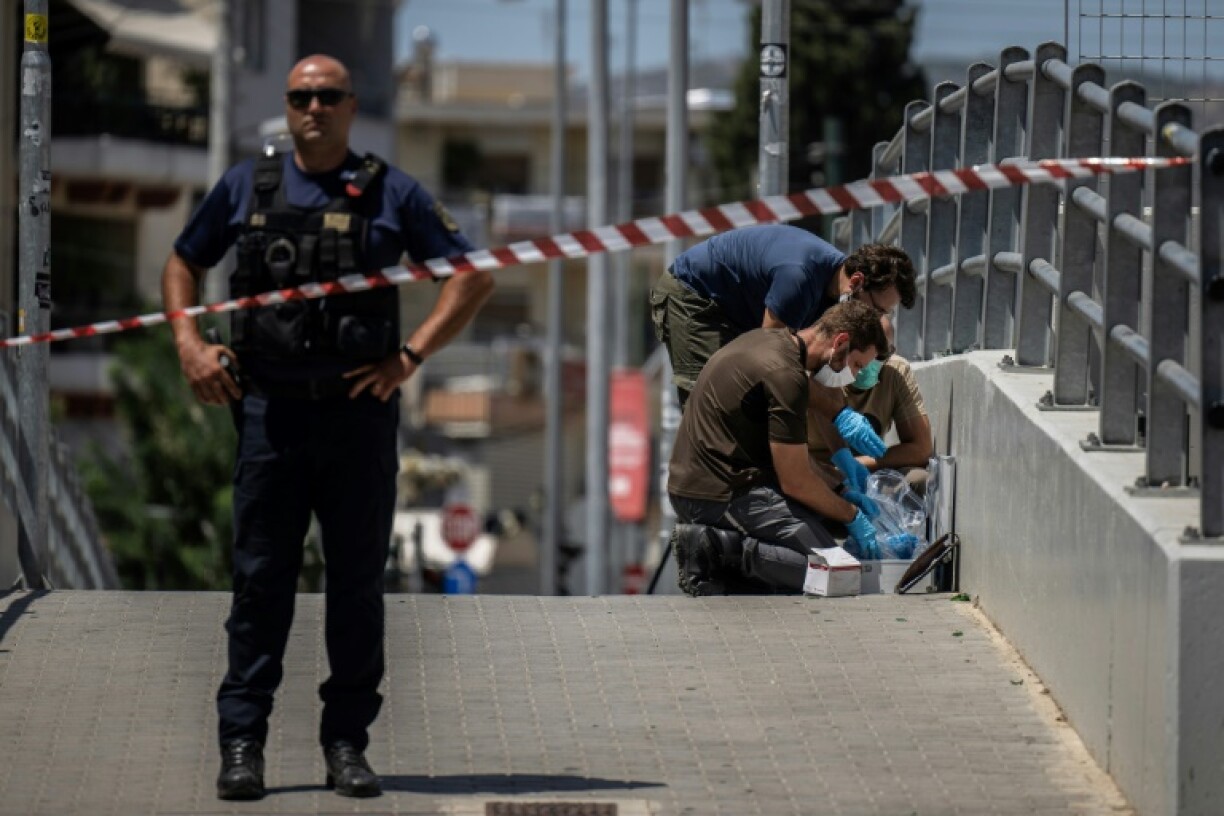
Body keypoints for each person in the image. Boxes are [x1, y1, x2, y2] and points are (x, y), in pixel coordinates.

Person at [162, 55, 494, 801]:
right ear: (288, 106)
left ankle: (346, 744)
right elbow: (183, 263)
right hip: (269, 415)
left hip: (356, 418)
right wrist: (189, 345)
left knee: (355, 589)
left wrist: (410, 357)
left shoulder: (390, 192)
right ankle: (241, 744)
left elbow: (473, 276)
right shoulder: (247, 185)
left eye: (328, 96)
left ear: (349, 107)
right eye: (301, 96)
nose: (313, 107)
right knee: (260, 585)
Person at [666, 300, 890, 596]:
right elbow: (795, 481)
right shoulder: (786, 376)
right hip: (715, 493)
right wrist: (850, 514)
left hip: (719, 480)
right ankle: (715, 549)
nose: (854, 375)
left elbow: (793, 458)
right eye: (857, 365)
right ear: (840, 343)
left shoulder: (771, 341)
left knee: (825, 523)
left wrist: (840, 490)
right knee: (837, 572)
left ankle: (739, 568)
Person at [648, 224, 916, 410]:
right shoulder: (799, 279)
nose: (875, 318)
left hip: (740, 310)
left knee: (750, 399)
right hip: (696, 295)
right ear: (856, 282)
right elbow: (770, 360)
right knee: (712, 401)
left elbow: (820, 369)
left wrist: (840, 446)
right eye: (876, 309)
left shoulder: (836, 294)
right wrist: (836, 415)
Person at [808, 318, 933, 497]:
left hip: (868, 467)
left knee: (918, 479)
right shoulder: (819, 371)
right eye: (864, 356)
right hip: (816, 470)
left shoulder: (895, 372)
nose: (870, 363)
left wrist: (855, 465)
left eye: (881, 355)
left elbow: (921, 449)